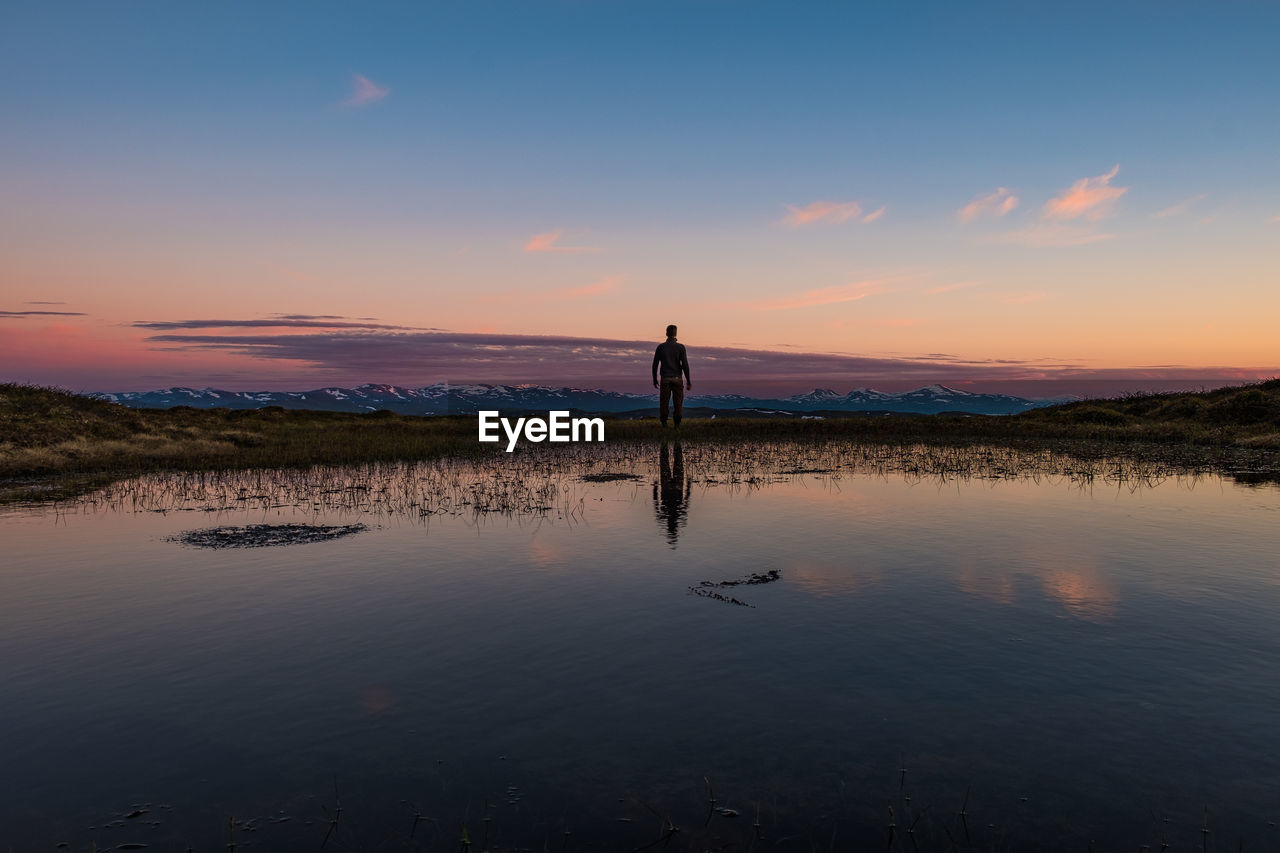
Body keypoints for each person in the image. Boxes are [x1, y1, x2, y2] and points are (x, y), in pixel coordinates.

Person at [652, 324, 691, 427]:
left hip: (665, 378)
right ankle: (677, 424)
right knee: (678, 403)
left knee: (664, 402)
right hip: (677, 378)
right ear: (676, 334)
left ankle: (664, 423)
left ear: (666, 333)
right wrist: (688, 381)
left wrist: (654, 379)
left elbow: (655, 364)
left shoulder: (661, 347)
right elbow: (685, 365)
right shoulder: (681, 347)